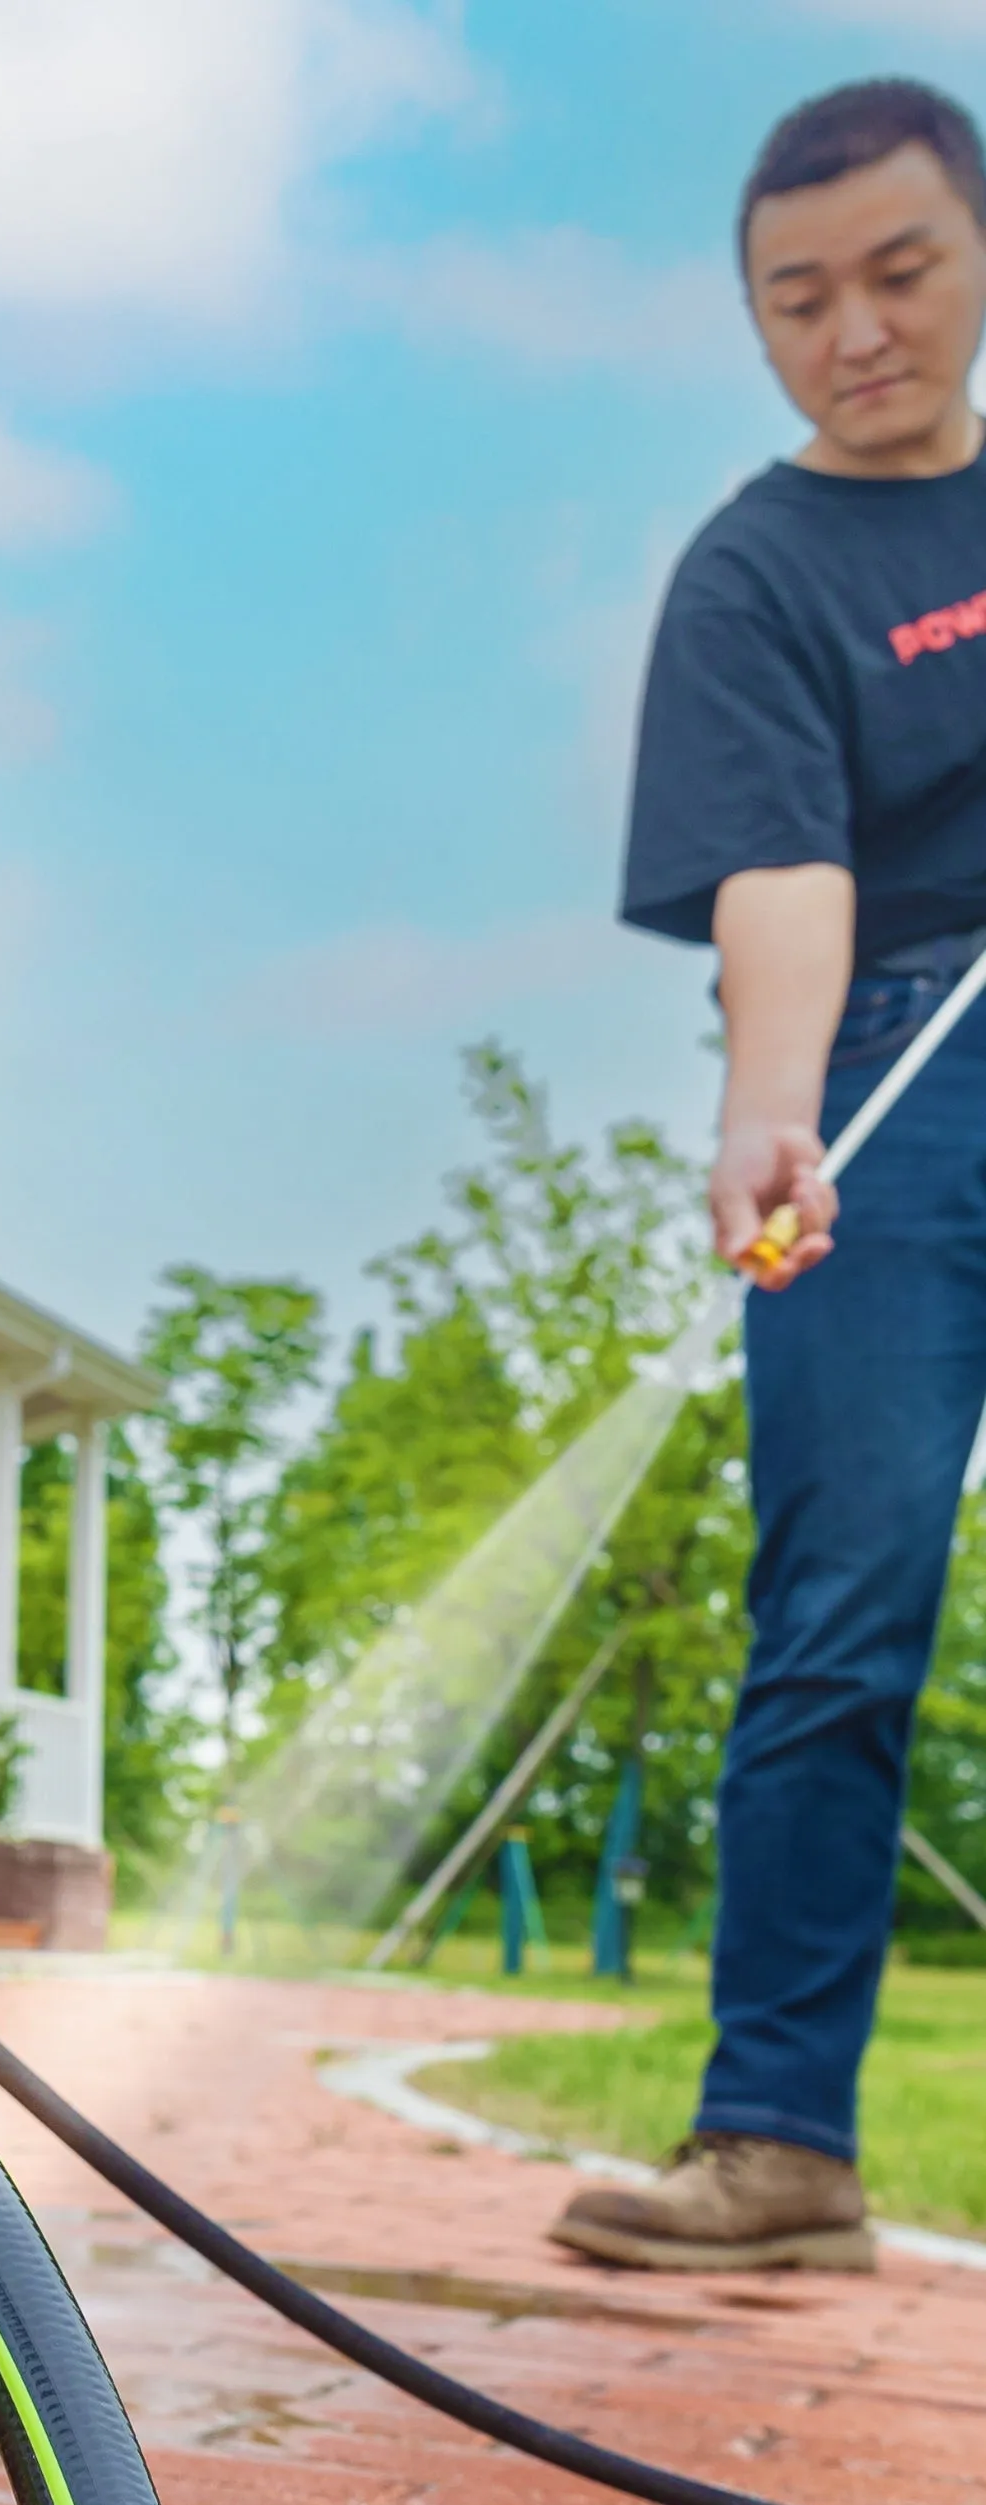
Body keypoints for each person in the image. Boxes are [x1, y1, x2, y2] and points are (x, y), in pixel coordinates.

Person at [554, 77, 986, 2273]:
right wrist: (773, 1107)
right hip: (906, 1073)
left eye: (901, 273)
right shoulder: (761, 572)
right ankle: (781, 2145)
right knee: (844, 1603)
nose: (859, 331)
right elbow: (788, 877)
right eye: (800, 297)